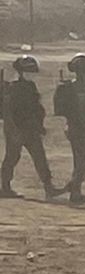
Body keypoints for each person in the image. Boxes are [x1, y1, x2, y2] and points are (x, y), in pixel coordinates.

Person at [1, 55, 58, 200]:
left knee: (40, 158)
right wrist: (13, 130)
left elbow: (36, 108)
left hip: (31, 129)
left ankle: (48, 187)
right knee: (12, 157)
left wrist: (40, 125)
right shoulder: (12, 88)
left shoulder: (30, 86)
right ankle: (5, 187)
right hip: (17, 128)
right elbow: (8, 112)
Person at [55, 56, 85, 203]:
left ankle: (74, 187)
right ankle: (74, 189)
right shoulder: (70, 88)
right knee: (84, 160)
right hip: (77, 129)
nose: (83, 73)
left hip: (84, 129)